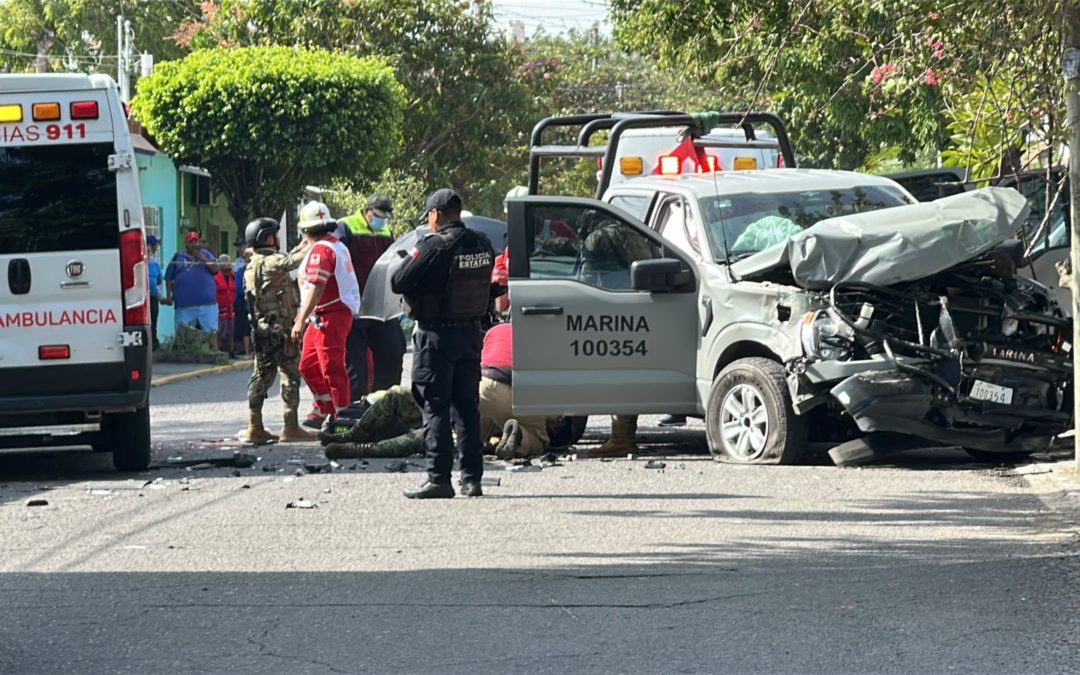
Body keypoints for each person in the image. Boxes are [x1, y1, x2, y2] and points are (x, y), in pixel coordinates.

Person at [391, 188, 495, 499]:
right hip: (470, 335)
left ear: (435, 215)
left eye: (430, 217)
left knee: (435, 406)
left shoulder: (434, 245)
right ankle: (472, 478)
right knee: (467, 407)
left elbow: (399, 280)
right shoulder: (482, 243)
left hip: (436, 338)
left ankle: (438, 478)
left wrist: (414, 253)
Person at [242, 217, 314, 444]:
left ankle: (255, 426)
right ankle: (290, 426)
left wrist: (298, 247)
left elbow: (283, 259)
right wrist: (314, 242)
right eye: (274, 234)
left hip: (263, 331)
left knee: (260, 377)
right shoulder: (272, 262)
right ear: (268, 237)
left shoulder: (253, 263)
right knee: (290, 376)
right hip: (282, 330)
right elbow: (291, 262)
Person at [293, 201, 361, 430]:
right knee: (308, 364)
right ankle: (324, 407)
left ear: (306, 230)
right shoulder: (334, 246)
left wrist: (300, 320)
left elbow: (316, 287)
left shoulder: (322, 251)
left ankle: (342, 417)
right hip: (321, 314)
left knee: (332, 367)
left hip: (329, 314)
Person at [338, 194, 407, 397]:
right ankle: (355, 412)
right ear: (367, 211)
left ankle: (384, 405)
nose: (382, 221)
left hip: (382, 307)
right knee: (355, 369)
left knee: (393, 355)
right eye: (378, 216)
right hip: (354, 308)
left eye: (385, 217)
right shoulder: (346, 226)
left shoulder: (385, 230)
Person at [164, 230, 220, 350]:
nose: (194, 244)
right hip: (184, 306)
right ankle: (183, 357)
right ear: (186, 243)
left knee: (211, 332)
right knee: (182, 334)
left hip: (207, 305)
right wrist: (169, 296)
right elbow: (168, 277)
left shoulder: (206, 254)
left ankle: (217, 356)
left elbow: (216, 269)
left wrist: (203, 259)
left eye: (196, 241)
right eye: (191, 242)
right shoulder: (178, 256)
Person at [214, 254, 236, 357]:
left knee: (231, 329)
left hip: (230, 306)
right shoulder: (216, 277)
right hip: (220, 306)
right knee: (220, 329)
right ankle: (219, 350)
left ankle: (231, 351)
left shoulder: (232, 277)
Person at [233, 238, 252, 358]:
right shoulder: (238, 265)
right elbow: (238, 287)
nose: (240, 249)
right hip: (244, 301)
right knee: (244, 326)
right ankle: (245, 350)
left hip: (253, 300)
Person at [146, 235, 164, 350]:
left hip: (153, 298)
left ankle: (154, 343)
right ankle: (152, 344)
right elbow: (154, 282)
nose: (157, 247)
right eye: (156, 245)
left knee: (153, 323)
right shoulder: (148, 262)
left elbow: (159, 280)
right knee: (150, 323)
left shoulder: (154, 262)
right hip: (148, 298)